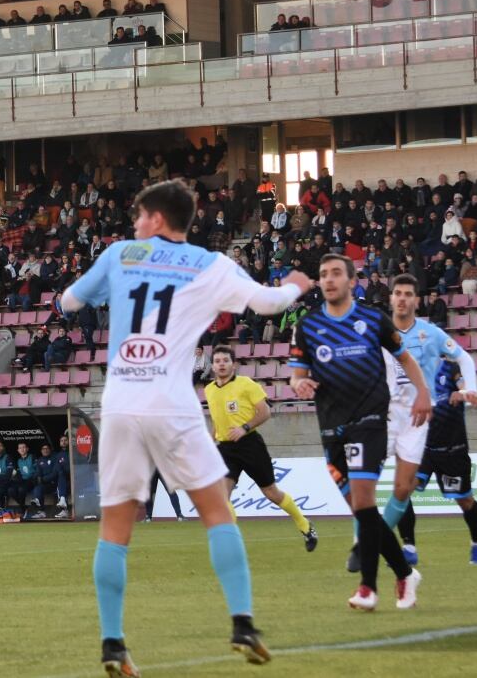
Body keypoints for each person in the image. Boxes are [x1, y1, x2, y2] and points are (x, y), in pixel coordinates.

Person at [58, 180, 316, 670]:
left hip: (120, 403)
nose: (134, 223)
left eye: (139, 215)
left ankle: (113, 642)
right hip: (171, 402)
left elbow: (70, 302)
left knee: (115, 527)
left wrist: (66, 303)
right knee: (217, 510)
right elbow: (268, 303)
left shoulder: (119, 254)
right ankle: (242, 621)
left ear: (156, 219)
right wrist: (297, 286)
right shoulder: (210, 265)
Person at [289, 254, 429, 612]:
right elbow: (297, 374)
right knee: (362, 511)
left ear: (352, 280)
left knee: (364, 503)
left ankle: (368, 587)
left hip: (368, 422)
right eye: (323, 274)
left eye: (337, 272)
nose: (329, 279)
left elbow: (405, 357)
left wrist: (423, 395)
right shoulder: (307, 325)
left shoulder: (372, 319)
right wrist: (300, 384)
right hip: (331, 429)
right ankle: (404, 572)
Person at [345, 273, 477, 572]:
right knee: (363, 482)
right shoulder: (375, 332)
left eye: (409, 293)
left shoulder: (431, 334)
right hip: (381, 414)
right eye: (398, 293)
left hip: (418, 418)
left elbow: (465, 359)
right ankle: (366, 544)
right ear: (391, 298)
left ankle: (363, 544)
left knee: (403, 489)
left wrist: (470, 388)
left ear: (416, 300)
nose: (403, 298)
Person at [395, 302, 477, 566]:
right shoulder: (412, 372)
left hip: (452, 447)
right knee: (403, 491)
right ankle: (409, 547)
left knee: (465, 501)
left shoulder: (451, 369)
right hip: (422, 447)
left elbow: (465, 387)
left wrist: (464, 392)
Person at [205, 346, 317, 551]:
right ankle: (230, 541)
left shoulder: (246, 384)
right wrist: (211, 442)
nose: (221, 364)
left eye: (225, 360)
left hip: (250, 444)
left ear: (233, 364)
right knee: (222, 496)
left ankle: (305, 525)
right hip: (226, 448)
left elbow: (265, 412)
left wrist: (244, 428)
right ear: (212, 366)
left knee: (271, 492)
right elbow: (216, 420)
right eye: (218, 361)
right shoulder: (209, 390)